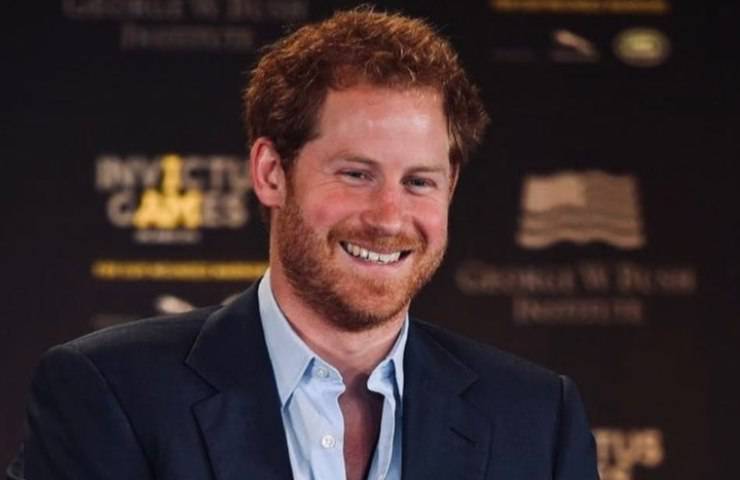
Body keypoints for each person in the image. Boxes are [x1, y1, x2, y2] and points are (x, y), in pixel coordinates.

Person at [8, 8, 598, 480]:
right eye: (356, 174)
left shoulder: (537, 418)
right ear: (270, 173)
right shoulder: (111, 392)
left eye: (419, 182)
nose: (389, 216)